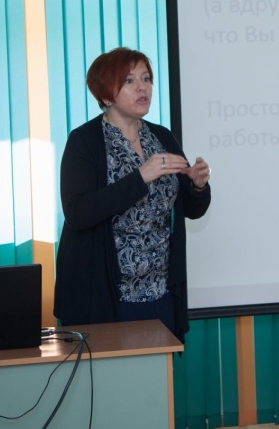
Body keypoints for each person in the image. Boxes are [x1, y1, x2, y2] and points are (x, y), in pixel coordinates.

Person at [53, 47, 211, 343]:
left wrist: (198, 186)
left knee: (158, 373)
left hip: (159, 291)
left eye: (146, 78)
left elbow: (190, 209)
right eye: (129, 81)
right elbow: (78, 212)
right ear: (106, 95)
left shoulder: (161, 137)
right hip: (103, 295)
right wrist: (141, 177)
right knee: (108, 373)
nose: (142, 87)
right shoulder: (84, 141)